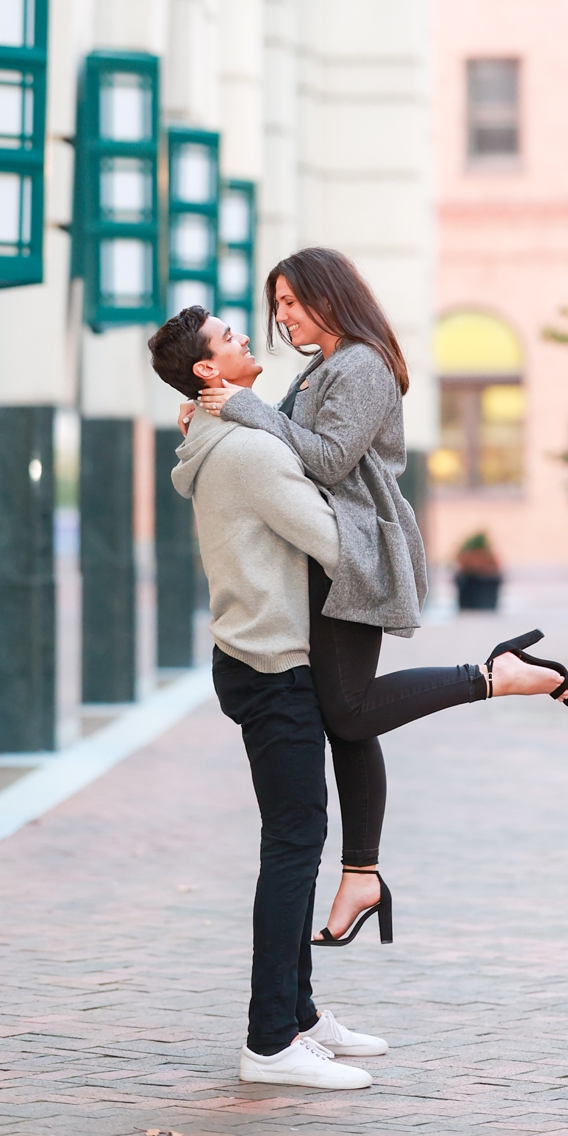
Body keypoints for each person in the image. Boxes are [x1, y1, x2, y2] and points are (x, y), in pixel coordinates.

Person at [190, 249, 568, 947]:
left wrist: (243, 406)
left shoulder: (362, 364)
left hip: (357, 554)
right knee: (347, 720)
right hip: (327, 556)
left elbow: (328, 459)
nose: (281, 318)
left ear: (326, 295)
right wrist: (212, 419)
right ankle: (362, 875)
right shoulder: (322, 366)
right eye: (277, 306)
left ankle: (494, 676)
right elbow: (278, 444)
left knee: (350, 709)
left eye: (290, 303)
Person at [148, 305, 388, 1092]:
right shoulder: (249, 451)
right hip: (275, 667)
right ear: (209, 373)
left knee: (289, 843)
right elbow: (329, 537)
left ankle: (302, 1017)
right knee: (293, 847)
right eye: (228, 337)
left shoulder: (219, 439)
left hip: (253, 661)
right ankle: (268, 1042)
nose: (247, 334)